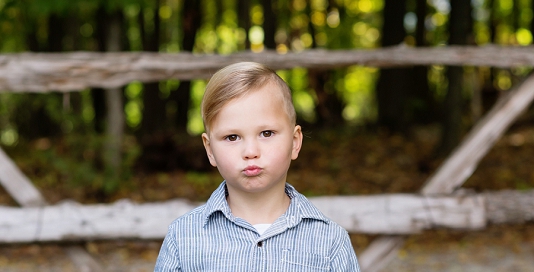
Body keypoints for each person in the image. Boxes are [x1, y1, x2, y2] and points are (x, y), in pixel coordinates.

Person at [155, 62, 360, 271]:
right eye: (232, 137)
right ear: (210, 150)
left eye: (267, 133)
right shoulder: (183, 237)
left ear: (295, 142)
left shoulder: (329, 241)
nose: (250, 151)